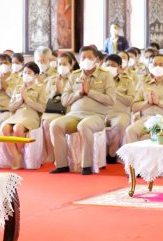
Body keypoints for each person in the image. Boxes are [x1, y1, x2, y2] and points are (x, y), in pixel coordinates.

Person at [50, 46, 116, 175]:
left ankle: (87, 165)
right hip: (74, 115)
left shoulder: (105, 75)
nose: (86, 60)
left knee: (84, 126)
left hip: (96, 116)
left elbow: (111, 100)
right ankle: (62, 165)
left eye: (90, 57)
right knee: (55, 125)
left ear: (96, 59)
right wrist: (79, 93)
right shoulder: (74, 76)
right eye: (83, 57)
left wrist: (89, 92)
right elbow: (64, 101)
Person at [125, 54, 163, 143]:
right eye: (155, 64)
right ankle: (135, 156)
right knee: (130, 131)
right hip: (145, 120)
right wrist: (147, 103)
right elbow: (134, 107)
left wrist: (159, 102)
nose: (157, 67)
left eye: (161, 64)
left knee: (154, 135)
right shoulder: (144, 84)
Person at [0, 62, 47, 169]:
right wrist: (20, 100)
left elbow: (42, 108)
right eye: (24, 72)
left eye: (29, 72)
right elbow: (11, 108)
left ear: (35, 75)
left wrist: (27, 100)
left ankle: (17, 156)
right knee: (4, 128)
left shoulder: (40, 88)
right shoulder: (18, 88)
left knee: (17, 128)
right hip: (17, 115)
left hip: (31, 115)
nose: (26, 74)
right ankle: (16, 156)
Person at [41, 52, 77, 163]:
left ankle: (54, 154)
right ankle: (47, 153)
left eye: (65, 64)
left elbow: (76, 98)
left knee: (47, 123)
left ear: (71, 65)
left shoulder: (76, 79)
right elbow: (45, 98)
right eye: (59, 64)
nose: (62, 67)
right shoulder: (52, 80)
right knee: (42, 121)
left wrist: (61, 92)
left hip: (68, 110)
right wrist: (55, 92)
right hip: (52, 110)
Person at [103, 54, 136, 161]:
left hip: (120, 113)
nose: (109, 67)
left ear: (120, 68)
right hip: (102, 112)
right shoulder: (99, 79)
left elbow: (130, 101)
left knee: (119, 125)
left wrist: (115, 91)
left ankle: (112, 154)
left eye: (113, 65)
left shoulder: (127, 81)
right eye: (107, 65)